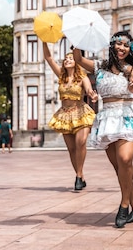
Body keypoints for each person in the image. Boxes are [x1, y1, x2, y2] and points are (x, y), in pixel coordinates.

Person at [73, 31, 133, 228]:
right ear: (112, 46)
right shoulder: (99, 66)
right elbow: (77, 59)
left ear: (129, 49)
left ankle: (124, 205)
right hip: (107, 118)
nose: (122, 48)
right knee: (120, 169)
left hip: (126, 115)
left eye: (126, 45)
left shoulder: (130, 68)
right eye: (118, 44)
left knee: (125, 160)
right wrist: (79, 39)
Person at [43, 42, 97, 190]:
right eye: (65, 59)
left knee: (81, 141)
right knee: (72, 149)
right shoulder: (61, 76)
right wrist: (43, 41)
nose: (67, 60)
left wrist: (92, 94)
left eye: (70, 58)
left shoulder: (82, 77)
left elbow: (88, 89)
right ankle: (80, 176)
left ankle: (79, 176)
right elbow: (48, 58)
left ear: (76, 61)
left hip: (80, 112)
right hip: (65, 115)